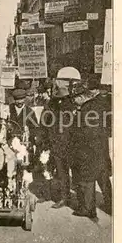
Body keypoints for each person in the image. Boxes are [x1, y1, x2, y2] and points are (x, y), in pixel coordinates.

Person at [69, 79, 112, 218]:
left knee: (86, 177)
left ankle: (88, 209)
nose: (74, 101)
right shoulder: (99, 105)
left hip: (88, 149)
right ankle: (111, 205)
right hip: (100, 147)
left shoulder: (87, 109)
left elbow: (86, 131)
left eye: (75, 98)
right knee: (102, 176)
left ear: (82, 96)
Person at [40, 67, 80, 208]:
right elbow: (46, 123)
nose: (60, 99)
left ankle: (77, 198)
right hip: (56, 143)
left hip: (70, 143)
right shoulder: (52, 105)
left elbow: (75, 125)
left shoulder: (72, 105)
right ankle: (63, 197)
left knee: (74, 172)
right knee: (60, 172)